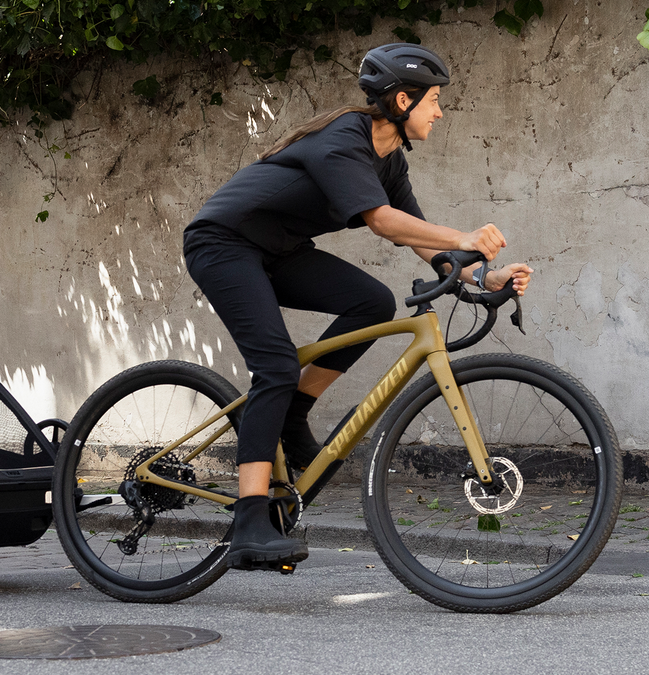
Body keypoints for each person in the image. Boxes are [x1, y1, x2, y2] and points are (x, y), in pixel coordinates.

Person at [183, 43, 534, 571]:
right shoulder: (343, 139)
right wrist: (465, 235)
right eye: (434, 100)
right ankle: (250, 521)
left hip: (278, 251)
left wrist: (486, 274)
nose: (440, 112)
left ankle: (292, 411)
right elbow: (382, 221)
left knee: (372, 301)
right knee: (275, 366)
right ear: (402, 100)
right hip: (222, 244)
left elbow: (419, 239)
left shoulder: (389, 160)